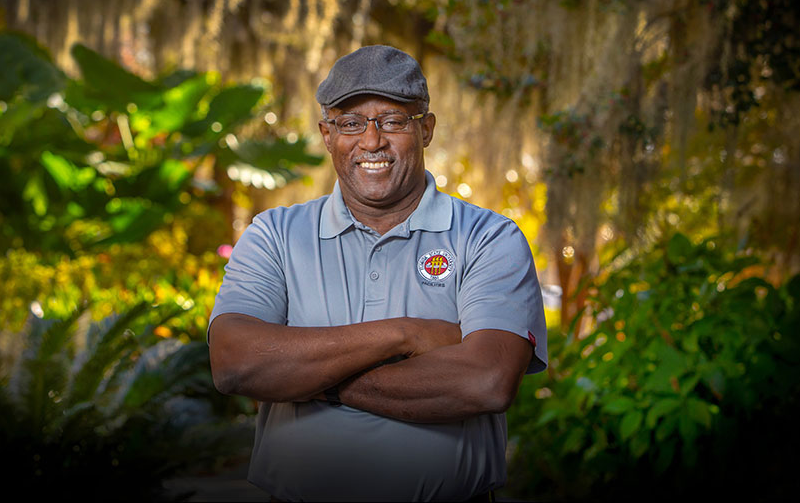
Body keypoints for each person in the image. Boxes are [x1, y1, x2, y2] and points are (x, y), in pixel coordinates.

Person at [208, 45, 547, 502]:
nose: (371, 142)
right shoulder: (276, 235)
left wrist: (310, 378)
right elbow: (235, 362)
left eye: (392, 121)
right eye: (350, 123)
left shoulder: (489, 238)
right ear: (327, 134)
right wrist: (405, 335)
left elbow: (486, 381)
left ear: (425, 129)